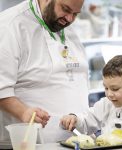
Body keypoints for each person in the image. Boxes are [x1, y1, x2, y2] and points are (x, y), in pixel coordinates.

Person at [0, 0, 89, 144]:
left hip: (76, 143)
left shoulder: (65, 25)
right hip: (28, 144)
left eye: (75, 14)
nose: (69, 19)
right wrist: (23, 112)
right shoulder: (9, 25)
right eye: (65, 9)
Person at [60, 55, 122, 143]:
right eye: (106, 88)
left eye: (115, 89)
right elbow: (86, 121)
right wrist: (74, 119)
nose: (109, 94)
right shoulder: (106, 104)